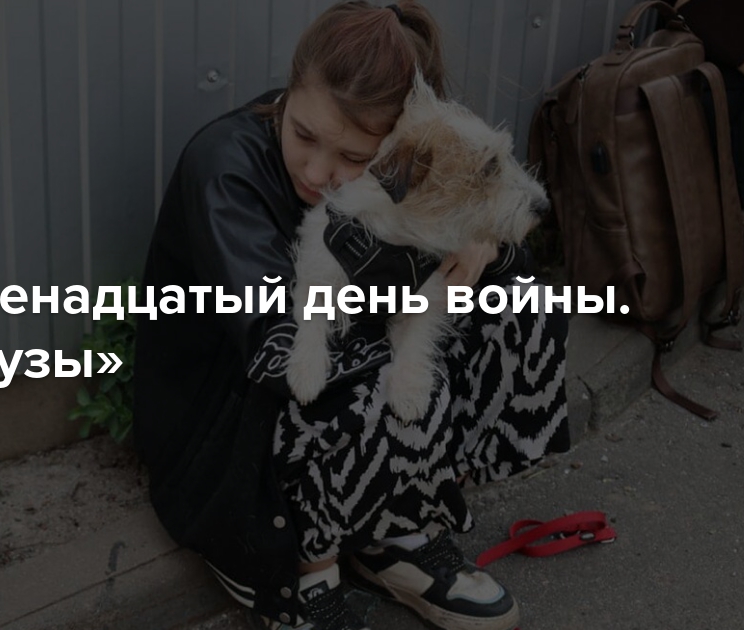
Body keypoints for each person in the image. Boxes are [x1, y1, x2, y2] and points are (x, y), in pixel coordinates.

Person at [131, 2, 570, 629]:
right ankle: (292, 564)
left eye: (356, 156)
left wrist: (480, 238)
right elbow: (278, 337)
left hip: (325, 380)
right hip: (225, 428)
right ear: (289, 91)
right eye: (304, 134)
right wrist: (430, 257)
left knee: (518, 301)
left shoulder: (405, 166)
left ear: (397, 145)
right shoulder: (224, 167)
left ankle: (392, 527)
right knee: (359, 370)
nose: (318, 171)